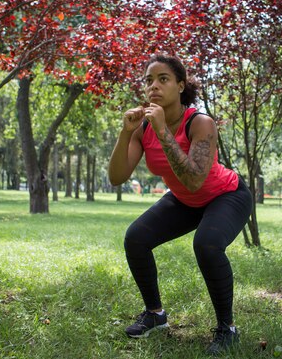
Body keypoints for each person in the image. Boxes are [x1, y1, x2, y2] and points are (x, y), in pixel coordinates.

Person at [108, 54, 252, 356]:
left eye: (163, 79)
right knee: (136, 238)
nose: (154, 87)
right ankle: (155, 315)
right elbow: (117, 177)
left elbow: (195, 180)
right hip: (185, 199)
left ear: (180, 85)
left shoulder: (200, 123)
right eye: (149, 80)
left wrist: (163, 131)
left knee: (208, 244)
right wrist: (125, 132)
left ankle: (228, 329)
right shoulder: (142, 129)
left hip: (227, 195)